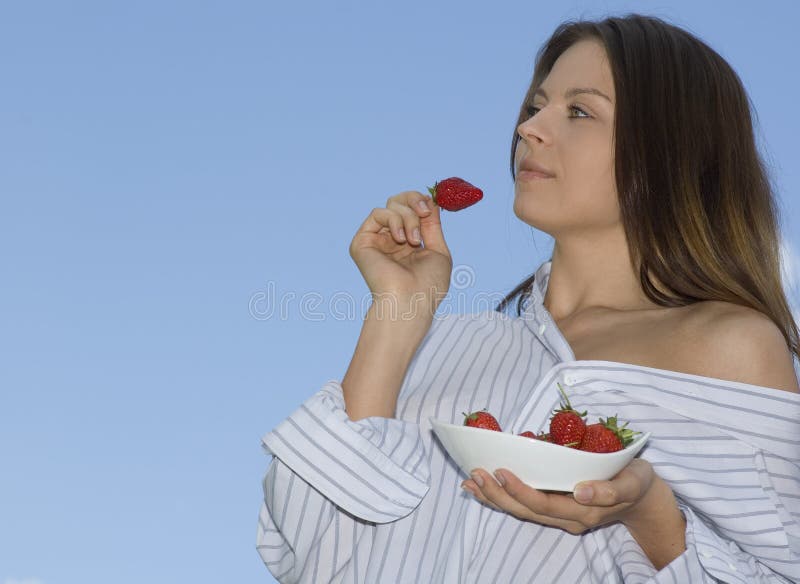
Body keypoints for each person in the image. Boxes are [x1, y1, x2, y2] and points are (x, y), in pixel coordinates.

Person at [256, 12, 800, 583]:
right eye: (536, 106)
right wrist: (397, 313)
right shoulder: (449, 343)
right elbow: (315, 556)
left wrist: (649, 511)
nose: (530, 128)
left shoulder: (728, 345)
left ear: (673, 152)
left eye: (580, 111)